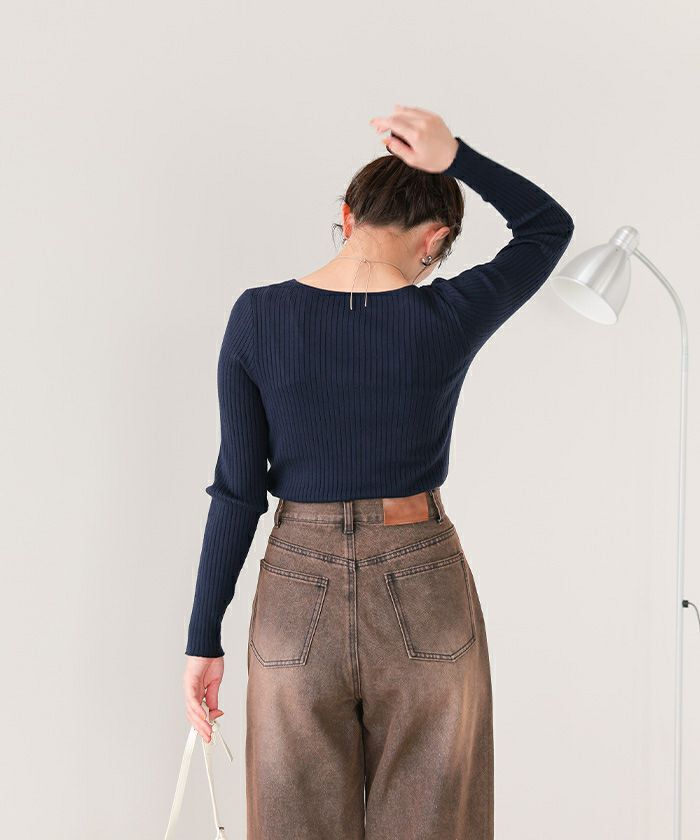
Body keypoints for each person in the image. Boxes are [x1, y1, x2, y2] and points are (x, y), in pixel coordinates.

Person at [181, 105, 574, 839]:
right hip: (421, 574)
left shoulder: (257, 317)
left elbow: (237, 491)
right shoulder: (448, 313)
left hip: (296, 584)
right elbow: (547, 228)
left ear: (346, 216)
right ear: (437, 239)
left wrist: (205, 637)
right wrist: (456, 157)